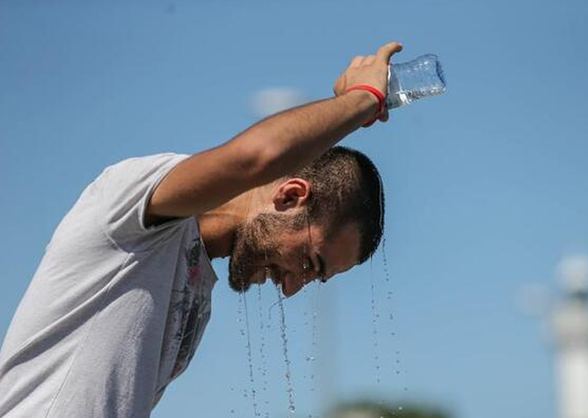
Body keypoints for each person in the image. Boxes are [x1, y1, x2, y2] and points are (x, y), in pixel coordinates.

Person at [0, 41, 403, 418]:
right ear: (290, 196)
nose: (292, 287)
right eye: (309, 262)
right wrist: (362, 99)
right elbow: (255, 158)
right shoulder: (134, 205)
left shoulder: (197, 294)